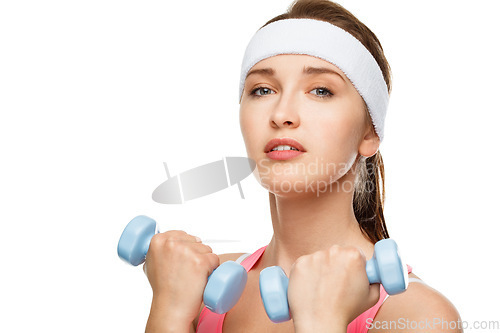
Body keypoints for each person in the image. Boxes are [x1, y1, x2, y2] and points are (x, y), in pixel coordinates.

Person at [144, 0, 462, 332]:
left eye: (321, 91)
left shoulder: (418, 316)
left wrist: (322, 321)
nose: (281, 114)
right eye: (262, 89)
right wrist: (170, 311)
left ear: (370, 132)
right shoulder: (201, 288)